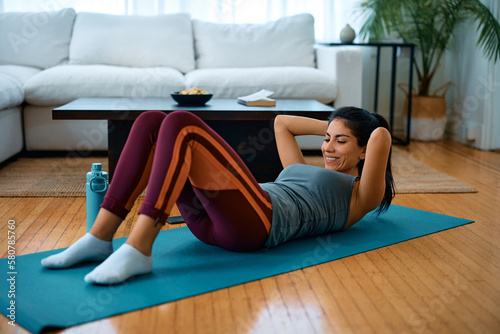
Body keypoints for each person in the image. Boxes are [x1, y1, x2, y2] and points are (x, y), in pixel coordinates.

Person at [41, 107, 394, 285]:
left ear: (365, 152)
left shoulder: (362, 195)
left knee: (182, 123)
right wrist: (336, 125)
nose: (328, 148)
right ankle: (99, 237)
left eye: (341, 142)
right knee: (152, 120)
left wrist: (358, 123)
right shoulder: (303, 165)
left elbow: (379, 134)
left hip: (258, 223)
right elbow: (281, 123)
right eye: (327, 139)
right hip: (215, 220)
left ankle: (138, 249)